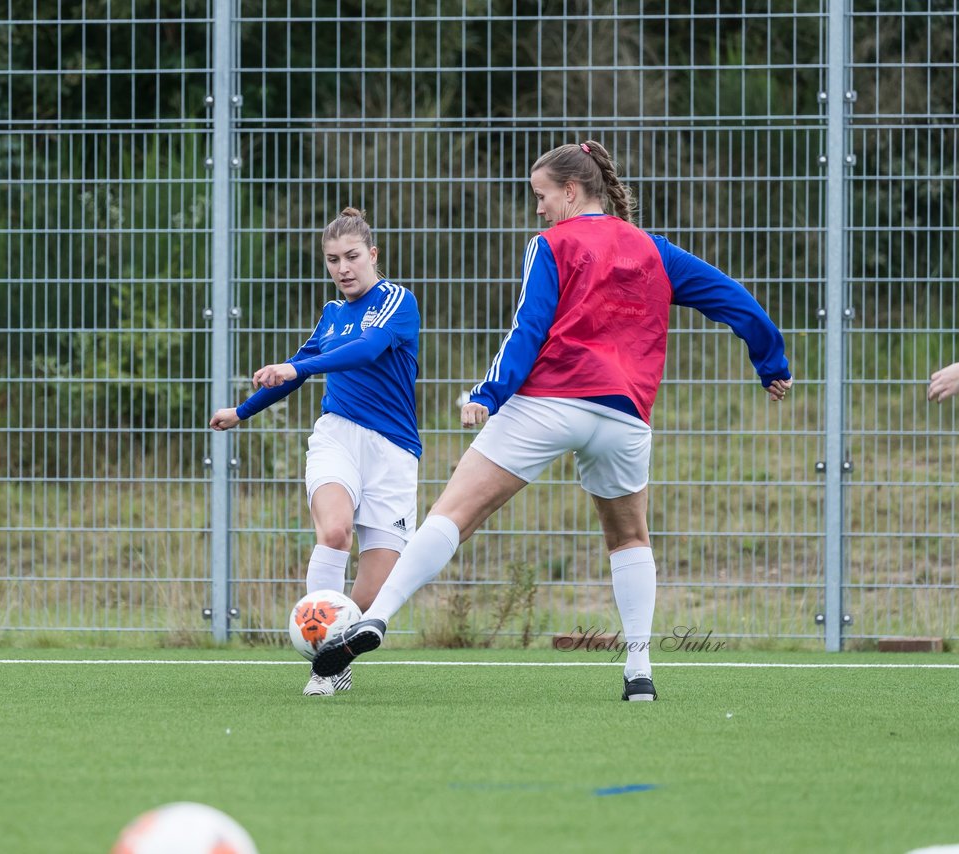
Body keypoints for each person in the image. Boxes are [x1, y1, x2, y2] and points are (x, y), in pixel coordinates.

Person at [313, 141, 793, 701]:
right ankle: (639, 671)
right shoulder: (653, 249)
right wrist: (771, 361)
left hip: (549, 400)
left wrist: (489, 393)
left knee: (454, 512)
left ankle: (378, 618)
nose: (538, 208)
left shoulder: (550, 244)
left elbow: (528, 329)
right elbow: (734, 299)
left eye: (542, 196)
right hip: (624, 414)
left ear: (570, 192)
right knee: (629, 536)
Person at [210, 207, 421, 697]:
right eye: (332, 260)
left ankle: (337, 660)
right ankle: (319, 664)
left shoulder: (396, 301)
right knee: (334, 530)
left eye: (351, 257)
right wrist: (242, 411)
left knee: (370, 599)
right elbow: (300, 371)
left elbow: (366, 350)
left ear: (373, 255)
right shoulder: (330, 315)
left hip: (393, 452)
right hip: (337, 437)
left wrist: (294, 366)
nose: (343, 268)